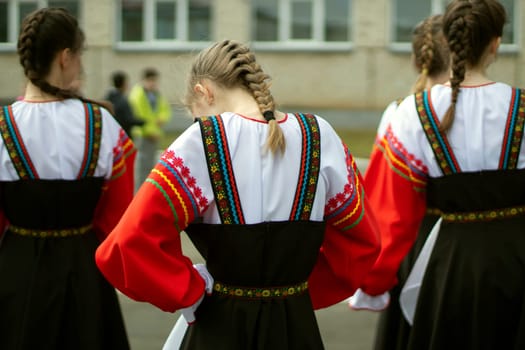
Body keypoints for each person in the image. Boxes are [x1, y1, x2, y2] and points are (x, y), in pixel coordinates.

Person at [95, 39, 381, 349]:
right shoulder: (319, 134)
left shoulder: (204, 140)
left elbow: (126, 245)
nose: (200, 121)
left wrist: (189, 288)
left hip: (222, 327)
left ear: (204, 91)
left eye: (197, 114)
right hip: (294, 325)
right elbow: (362, 241)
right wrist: (300, 289)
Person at [349, 0, 525, 348]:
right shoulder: (521, 107)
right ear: (495, 44)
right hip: (517, 259)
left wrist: (374, 282)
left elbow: (393, 216)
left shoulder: (413, 113)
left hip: (447, 265)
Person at [0, 7, 135, 349]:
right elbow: (118, 220)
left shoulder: (2, 128)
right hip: (85, 274)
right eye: (80, 55)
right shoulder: (104, 127)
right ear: (65, 57)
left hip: (16, 272)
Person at [352, 14, 450, 350]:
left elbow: (385, 210)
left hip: (418, 248)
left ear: (416, 60)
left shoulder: (400, 112)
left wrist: (375, 278)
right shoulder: (505, 109)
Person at [128, 67, 172, 186]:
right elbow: (139, 117)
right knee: (141, 167)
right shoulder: (138, 95)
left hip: (154, 135)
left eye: (155, 81)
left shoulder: (156, 94)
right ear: (144, 80)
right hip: (143, 135)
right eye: (151, 81)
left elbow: (165, 109)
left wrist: (162, 118)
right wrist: (149, 132)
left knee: (151, 167)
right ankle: (138, 193)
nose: (153, 84)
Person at [105, 70, 144, 138]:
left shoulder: (107, 97)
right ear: (123, 84)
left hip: (110, 133)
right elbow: (128, 120)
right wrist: (142, 122)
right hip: (123, 135)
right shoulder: (123, 101)